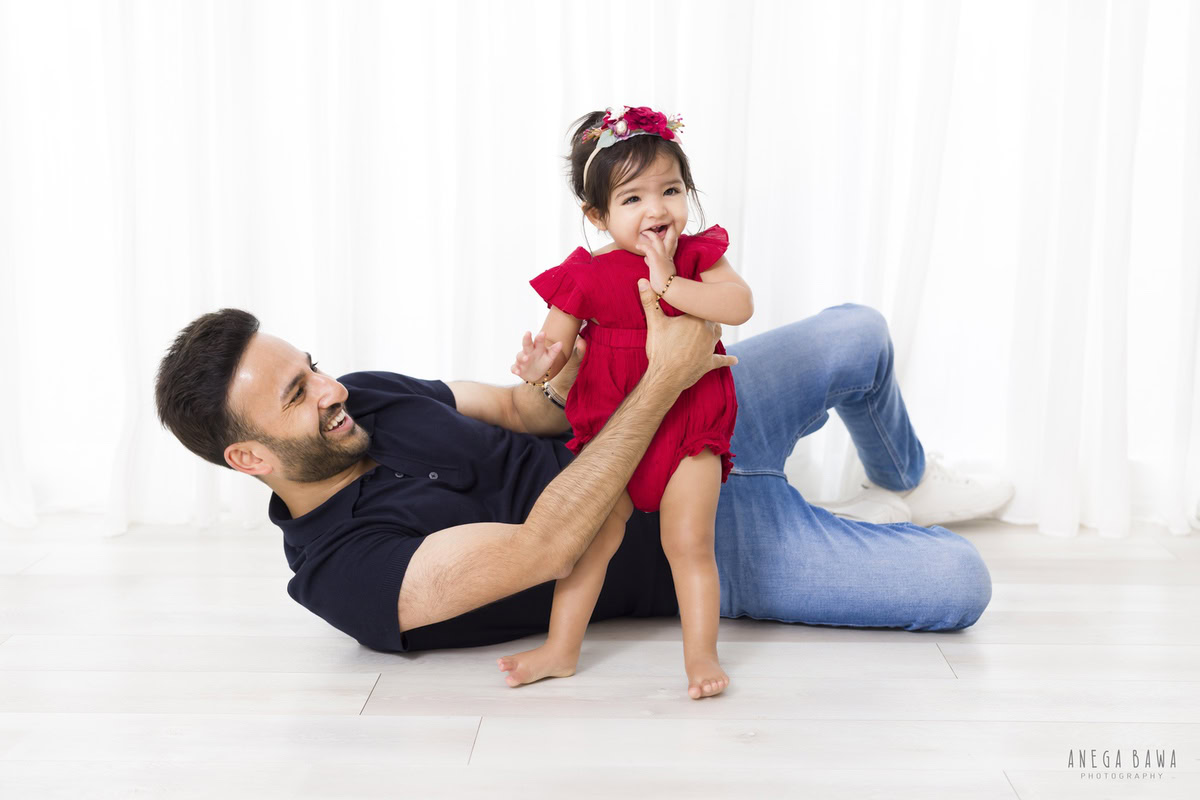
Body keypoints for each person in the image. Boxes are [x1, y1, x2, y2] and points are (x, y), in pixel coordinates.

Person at [154, 296, 1009, 700]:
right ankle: (834, 522)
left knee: (859, 333)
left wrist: (563, 375)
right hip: (695, 549)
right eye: (299, 395)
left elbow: (522, 410)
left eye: (312, 365)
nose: (332, 388)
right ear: (248, 455)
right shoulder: (343, 574)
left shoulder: (365, 397)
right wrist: (662, 379)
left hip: (695, 419)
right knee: (959, 585)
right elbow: (547, 547)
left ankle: (904, 481)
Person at [501, 106, 746, 698]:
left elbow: (737, 306)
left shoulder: (696, 258)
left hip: (687, 427)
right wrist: (542, 364)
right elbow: (557, 342)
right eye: (632, 199)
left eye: (670, 190)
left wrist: (668, 282)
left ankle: (700, 657)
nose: (657, 209)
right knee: (589, 545)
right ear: (597, 214)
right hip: (614, 436)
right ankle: (561, 651)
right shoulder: (584, 275)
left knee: (689, 545)